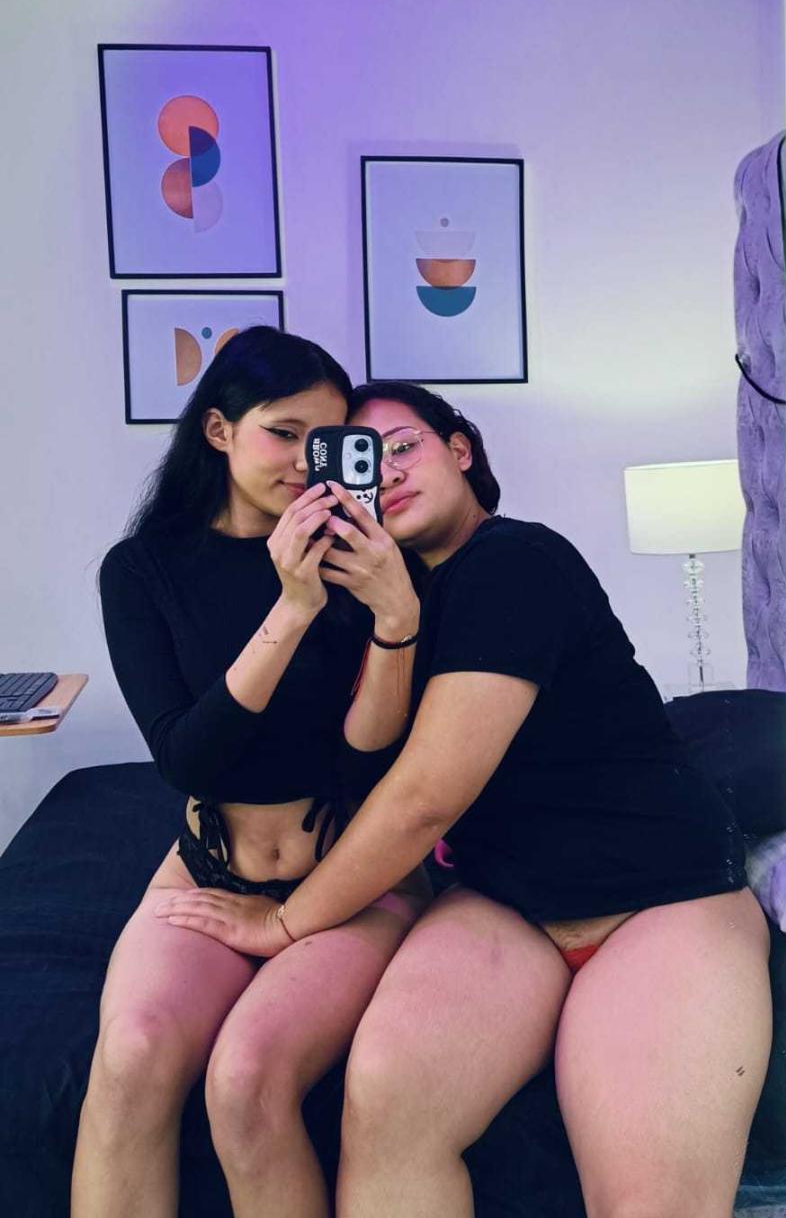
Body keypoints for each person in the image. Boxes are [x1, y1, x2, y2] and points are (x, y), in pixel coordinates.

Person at [158, 380, 772, 1218]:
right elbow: (354, 768)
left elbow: (423, 801)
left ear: (460, 450)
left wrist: (287, 922)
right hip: (503, 903)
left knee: (647, 1202)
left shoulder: (514, 559)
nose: (387, 472)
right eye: (360, 461)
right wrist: (377, 615)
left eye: (403, 446)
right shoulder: (381, 603)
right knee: (388, 1113)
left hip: (656, 900)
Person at [73, 331, 428, 1218]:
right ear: (219, 430)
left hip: (349, 881)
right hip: (209, 865)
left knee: (246, 1075)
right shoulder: (143, 570)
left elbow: (372, 754)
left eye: (326, 439)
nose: (306, 461)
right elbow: (186, 757)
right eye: (283, 432)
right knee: (133, 1054)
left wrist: (391, 617)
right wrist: (291, 608)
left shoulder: (364, 560)